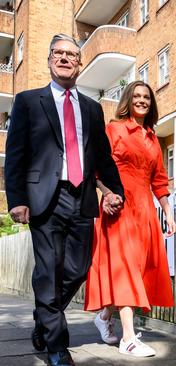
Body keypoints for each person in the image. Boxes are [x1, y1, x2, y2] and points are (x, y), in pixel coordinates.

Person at [3, 34, 124, 366]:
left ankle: (44, 316)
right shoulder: (28, 101)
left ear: (79, 64)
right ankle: (57, 348)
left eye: (72, 54)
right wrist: (16, 199)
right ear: (49, 59)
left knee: (78, 269)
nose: (65, 58)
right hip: (43, 197)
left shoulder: (92, 108)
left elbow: (102, 156)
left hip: (82, 198)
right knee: (48, 272)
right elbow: (14, 154)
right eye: (58, 53)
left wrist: (114, 190)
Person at [84, 80, 175, 358]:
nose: (141, 100)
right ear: (128, 99)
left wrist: (169, 214)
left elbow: (159, 181)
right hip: (119, 206)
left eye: (146, 97)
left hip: (145, 210)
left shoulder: (152, 139)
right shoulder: (115, 129)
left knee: (137, 268)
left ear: (151, 103)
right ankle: (128, 338)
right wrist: (108, 194)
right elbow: (97, 167)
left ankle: (104, 317)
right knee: (124, 268)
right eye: (136, 95)